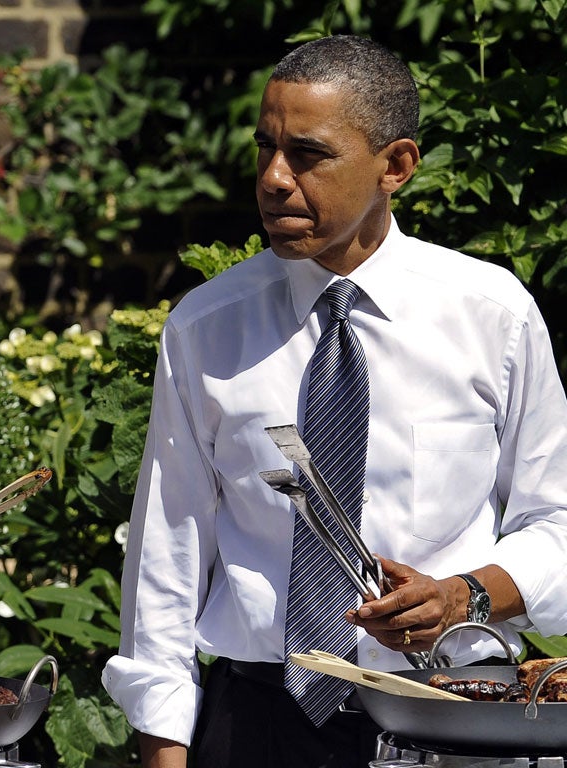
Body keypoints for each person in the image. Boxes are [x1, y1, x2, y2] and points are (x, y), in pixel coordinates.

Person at [101, 34, 567, 768]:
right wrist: (165, 750)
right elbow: (167, 561)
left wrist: (466, 598)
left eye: (309, 155)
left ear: (396, 166)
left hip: (453, 718)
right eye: (264, 148)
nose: (274, 178)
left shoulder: (491, 316)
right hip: (256, 722)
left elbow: (557, 521)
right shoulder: (206, 326)